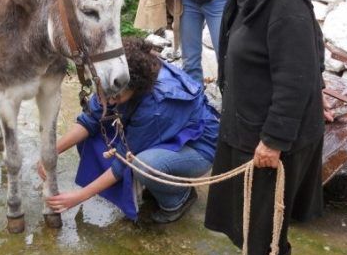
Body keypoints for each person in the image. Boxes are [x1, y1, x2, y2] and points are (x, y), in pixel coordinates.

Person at [203, 0, 329, 255]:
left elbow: (298, 74)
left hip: (275, 138)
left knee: (270, 218)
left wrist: (274, 139)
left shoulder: (284, 0)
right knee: (249, 211)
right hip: (247, 126)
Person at [38, 37, 219, 223]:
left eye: (115, 97)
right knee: (93, 133)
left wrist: (79, 196)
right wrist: (51, 152)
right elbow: (91, 119)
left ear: (136, 88)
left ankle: (179, 198)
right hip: (166, 132)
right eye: (102, 92)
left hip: (198, 148)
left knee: (143, 164)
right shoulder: (115, 77)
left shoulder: (156, 105)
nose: (106, 101)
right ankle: (152, 185)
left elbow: (125, 160)